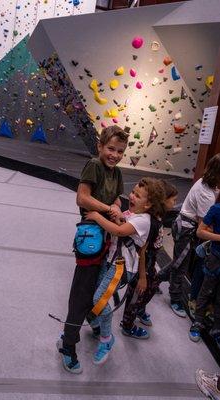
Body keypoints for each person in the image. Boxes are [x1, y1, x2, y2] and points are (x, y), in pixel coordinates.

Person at [57, 125, 129, 374]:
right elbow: (82, 198)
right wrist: (108, 210)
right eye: (111, 149)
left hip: (107, 242)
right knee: (80, 295)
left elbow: (118, 198)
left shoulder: (116, 172)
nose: (115, 155)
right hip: (91, 242)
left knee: (96, 291)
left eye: (120, 151)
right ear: (100, 146)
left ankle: (91, 321)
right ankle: (67, 345)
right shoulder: (94, 165)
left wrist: (117, 206)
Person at [85, 177, 166, 364]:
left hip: (122, 267)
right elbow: (123, 225)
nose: (132, 196)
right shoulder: (132, 213)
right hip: (112, 261)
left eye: (138, 196)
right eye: (133, 192)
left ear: (148, 205)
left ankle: (106, 339)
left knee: (99, 299)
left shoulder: (144, 220)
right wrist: (120, 216)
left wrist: (98, 216)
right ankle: (98, 324)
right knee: (97, 297)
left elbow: (120, 232)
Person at [162, 154, 220, 318]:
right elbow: (204, 225)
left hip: (185, 226)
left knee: (179, 261)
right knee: (180, 266)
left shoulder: (207, 183)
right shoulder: (206, 194)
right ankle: (174, 299)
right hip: (187, 229)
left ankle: (156, 278)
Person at [121, 180, 178, 335]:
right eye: (173, 199)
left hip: (150, 263)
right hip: (142, 265)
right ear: (162, 200)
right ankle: (127, 324)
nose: (175, 203)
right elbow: (142, 252)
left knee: (150, 289)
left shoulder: (159, 219)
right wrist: (142, 277)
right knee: (137, 293)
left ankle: (139, 309)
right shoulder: (150, 222)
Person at [189, 203, 220, 345]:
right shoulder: (216, 209)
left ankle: (217, 329)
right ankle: (197, 322)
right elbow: (200, 232)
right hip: (215, 257)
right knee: (206, 290)